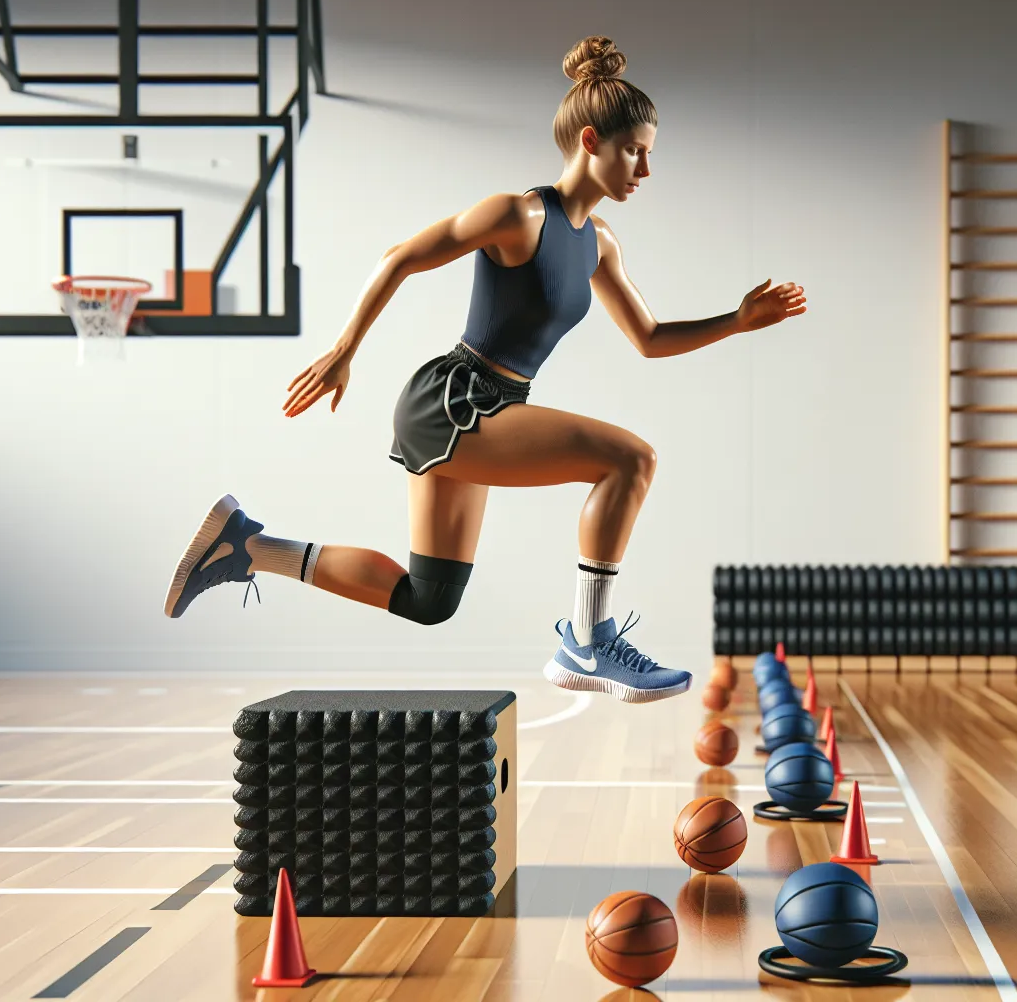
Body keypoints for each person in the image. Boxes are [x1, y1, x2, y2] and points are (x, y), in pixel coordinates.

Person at [165, 35, 806, 703]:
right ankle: (589, 635)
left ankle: (247, 546)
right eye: (635, 150)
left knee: (427, 599)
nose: (645, 167)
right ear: (591, 141)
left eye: (649, 153)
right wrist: (344, 349)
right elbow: (401, 256)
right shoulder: (519, 214)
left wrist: (734, 320)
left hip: (487, 405)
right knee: (631, 460)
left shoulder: (601, 245)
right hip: (456, 401)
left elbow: (647, 337)